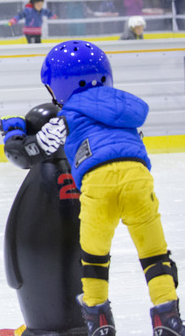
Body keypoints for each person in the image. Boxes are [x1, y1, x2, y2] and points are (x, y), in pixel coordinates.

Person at [36, 40, 184, 335]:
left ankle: (98, 318)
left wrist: (15, 130)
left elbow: (42, 145)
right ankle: (167, 317)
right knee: (154, 254)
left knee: (94, 256)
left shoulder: (66, 115)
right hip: (138, 179)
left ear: (59, 87)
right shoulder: (125, 108)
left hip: (98, 184)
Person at [0, 104, 83, 336]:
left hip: (44, 325)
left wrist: (14, 133)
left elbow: (19, 154)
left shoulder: (42, 172)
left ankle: (43, 326)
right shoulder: (75, 171)